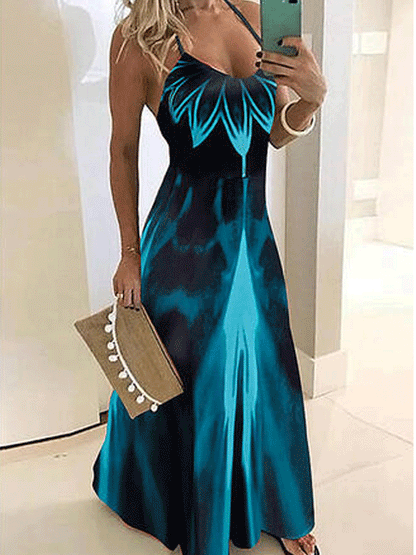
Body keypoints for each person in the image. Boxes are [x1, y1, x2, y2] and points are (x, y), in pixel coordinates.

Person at [91, 1, 327, 554]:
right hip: (183, 248)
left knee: (265, 372)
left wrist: (311, 100)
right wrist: (129, 254)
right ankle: (180, 509)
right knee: (193, 383)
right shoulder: (140, 36)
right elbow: (122, 150)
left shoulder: (260, 16)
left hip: (252, 243)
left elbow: (275, 133)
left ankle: (277, 505)